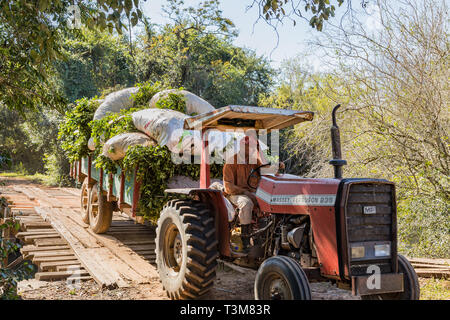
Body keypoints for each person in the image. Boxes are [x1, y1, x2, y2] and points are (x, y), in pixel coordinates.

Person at [223, 135, 284, 252]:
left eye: (254, 147)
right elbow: (228, 187)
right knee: (246, 204)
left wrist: (277, 166)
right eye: (250, 147)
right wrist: (245, 192)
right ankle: (245, 241)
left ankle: (269, 236)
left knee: (271, 201)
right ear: (242, 146)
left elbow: (264, 170)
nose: (252, 149)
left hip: (252, 193)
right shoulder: (231, 162)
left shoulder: (254, 161)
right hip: (235, 194)